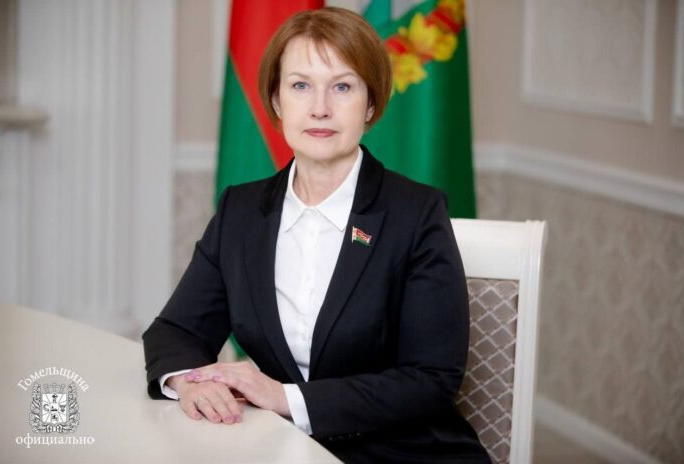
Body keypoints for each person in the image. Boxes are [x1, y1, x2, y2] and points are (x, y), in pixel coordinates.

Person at [142, 7, 489, 463]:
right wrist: (189, 382)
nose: (320, 107)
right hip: (278, 449)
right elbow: (176, 330)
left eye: (342, 87)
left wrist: (285, 398)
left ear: (371, 104)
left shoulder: (417, 213)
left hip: (401, 452)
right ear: (276, 101)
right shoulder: (241, 211)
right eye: (300, 86)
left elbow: (430, 378)